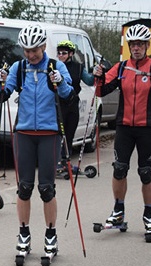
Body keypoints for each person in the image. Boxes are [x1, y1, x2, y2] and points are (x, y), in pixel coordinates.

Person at [0, 24, 73, 259]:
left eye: (34, 50)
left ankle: (50, 235)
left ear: (44, 46)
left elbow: (69, 98)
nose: (30, 55)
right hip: (24, 133)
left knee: (46, 188)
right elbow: (1, 97)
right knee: (24, 187)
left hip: (49, 133)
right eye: (26, 50)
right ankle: (24, 234)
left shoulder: (57, 66)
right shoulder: (18, 69)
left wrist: (61, 83)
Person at [93, 24, 151, 235]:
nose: (136, 48)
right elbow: (101, 90)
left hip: (146, 127)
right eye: (133, 44)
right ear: (129, 46)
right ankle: (118, 211)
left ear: (147, 45)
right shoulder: (122, 68)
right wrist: (99, 76)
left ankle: (149, 213)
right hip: (124, 127)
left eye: (140, 44)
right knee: (119, 169)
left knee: (145, 172)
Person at [55, 40, 94, 172]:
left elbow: (89, 81)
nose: (61, 55)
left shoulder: (78, 67)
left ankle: (66, 161)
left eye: (64, 53)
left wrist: (98, 73)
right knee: (58, 133)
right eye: (59, 53)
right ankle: (55, 161)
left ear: (71, 54)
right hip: (58, 104)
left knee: (70, 132)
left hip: (72, 103)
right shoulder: (54, 66)